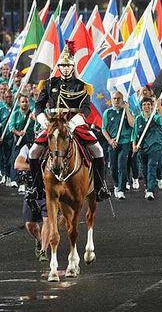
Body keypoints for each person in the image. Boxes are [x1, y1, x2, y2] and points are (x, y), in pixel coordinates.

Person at [27, 44, 111, 204]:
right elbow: (39, 105)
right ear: (59, 67)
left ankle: (100, 187)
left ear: (73, 67)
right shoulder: (49, 84)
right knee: (33, 152)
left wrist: (74, 122)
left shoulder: (81, 86)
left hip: (75, 124)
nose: (65, 69)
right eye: (63, 66)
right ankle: (36, 187)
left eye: (68, 66)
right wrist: (43, 119)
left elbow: (86, 108)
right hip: (52, 125)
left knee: (98, 150)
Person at [14, 143, 50, 261]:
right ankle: (39, 240)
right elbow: (18, 164)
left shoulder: (53, 147)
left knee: (47, 220)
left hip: (48, 190)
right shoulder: (27, 147)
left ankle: (44, 251)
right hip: (33, 190)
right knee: (29, 224)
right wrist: (36, 167)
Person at [132, 97, 162, 200]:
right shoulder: (138, 119)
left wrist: (159, 106)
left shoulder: (156, 117)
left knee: (151, 166)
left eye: (149, 104)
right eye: (144, 105)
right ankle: (148, 186)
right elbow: (134, 134)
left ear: (152, 106)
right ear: (141, 107)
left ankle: (150, 191)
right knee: (144, 168)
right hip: (142, 148)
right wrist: (134, 146)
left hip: (156, 146)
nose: (146, 106)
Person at [101, 91, 135, 200]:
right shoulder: (108, 112)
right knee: (114, 167)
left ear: (122, 99)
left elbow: (133, 124)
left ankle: (121, 189)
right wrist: (110, 140)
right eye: (114, 98)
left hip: (124, 142)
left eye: (118, 98)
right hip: (112, 143)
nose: (116, 100)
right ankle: (116, 184)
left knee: (122, 165)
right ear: (111, 100)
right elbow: (103, 129)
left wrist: (127, 110)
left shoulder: (126, 111)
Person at [8, 94, 35, 193]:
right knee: (15, 159)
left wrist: (34, 119)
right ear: (19, 103)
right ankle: (15, 179)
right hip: (18, 140)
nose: (24, 103)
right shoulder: (15, 113)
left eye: (26, 101)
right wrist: (18, 133)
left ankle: (26, 182)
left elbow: (37, 126)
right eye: (23, 102)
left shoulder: (32, 114)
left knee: (27, 160)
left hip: (29, 140)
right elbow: (11, 127)